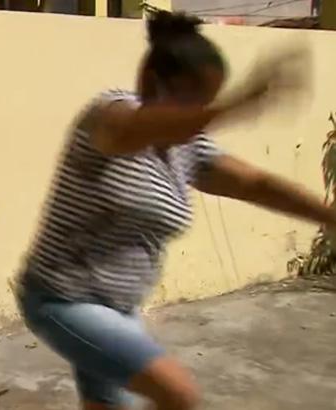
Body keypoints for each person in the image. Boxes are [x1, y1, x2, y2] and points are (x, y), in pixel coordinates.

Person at [16, 10, 330, 410]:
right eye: (193, 102)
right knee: (176, 392)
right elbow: (137, 129)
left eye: (207, 103)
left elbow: (255, 184)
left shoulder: (187, 148)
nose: (200, 115)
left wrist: (329, 216)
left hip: (120, 308)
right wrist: (244, 101)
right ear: (152, 82)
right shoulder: (107, 118)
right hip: (63, 299)